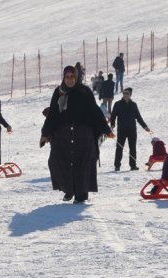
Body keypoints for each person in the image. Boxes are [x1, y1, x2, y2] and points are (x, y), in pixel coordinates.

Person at [40, 66, 113, 203]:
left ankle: (81, 193)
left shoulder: (84, 91)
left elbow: (95, 111)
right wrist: (45, 133)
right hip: (63, 134)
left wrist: (106, 129)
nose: (69, 80)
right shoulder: (59, 92)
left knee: (83, 164)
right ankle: (68, 189)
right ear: (63, 77)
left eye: (72, 77)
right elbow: (53, 114)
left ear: (76, 77)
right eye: (67, 77)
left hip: (83, 134)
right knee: (58, 161)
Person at [110, 87, 150, 171]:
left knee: (132, 148)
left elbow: (138, 117)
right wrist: (112, 125)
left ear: (130, 95)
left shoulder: (133, 105)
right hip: (121, 129)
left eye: (127, 93)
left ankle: (133, 165)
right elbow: (113, 116)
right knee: (119, 148)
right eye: (124, 93)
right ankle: (117, 165)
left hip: (132, 129)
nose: (125, 95)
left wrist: (145, 126)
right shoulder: (117, 104)